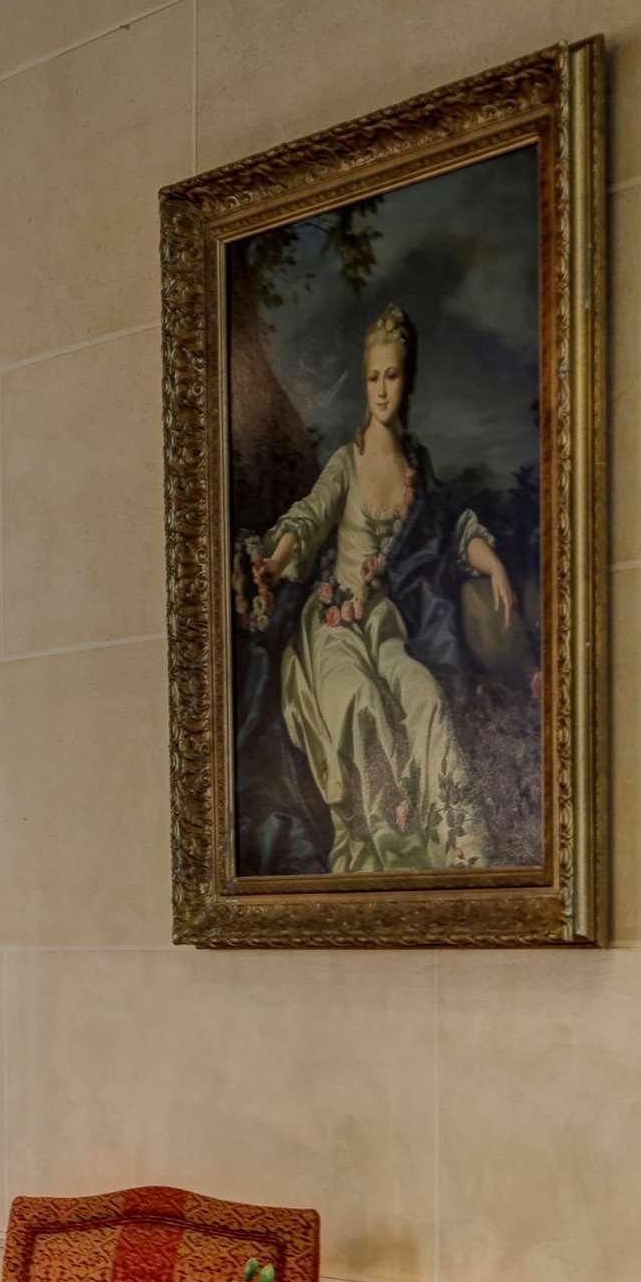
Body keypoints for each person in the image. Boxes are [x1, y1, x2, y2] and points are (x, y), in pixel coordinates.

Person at [237, 303, 523, 875]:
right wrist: (273, 562)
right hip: (333, 625)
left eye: (391, 376)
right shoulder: (348, 462)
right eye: (372, 377)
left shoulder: (417, 464)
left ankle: (458, 852)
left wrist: (493, 565)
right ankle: (385, 849)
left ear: (407, 381)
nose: (381, 389)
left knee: (422, 695)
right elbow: (308, 518)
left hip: (384, 623)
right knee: (360, 702)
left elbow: (449, 528)